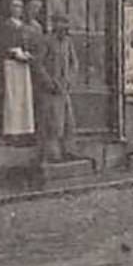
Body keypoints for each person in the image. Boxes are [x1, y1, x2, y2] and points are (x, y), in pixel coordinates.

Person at [34, 12, 80, 163]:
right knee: (53, 122)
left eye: (65, 23)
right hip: (50, 90)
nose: (63, 27)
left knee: (68, 122)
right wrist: (49, 82)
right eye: (60, 23)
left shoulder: (68, 42)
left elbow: (74, 63)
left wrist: (70, 80)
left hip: (64, 89)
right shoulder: (46, 41)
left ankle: (69, 150)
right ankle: (52, 154)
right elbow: (38, 64)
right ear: (54, 24)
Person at [0, 0, 35, 137]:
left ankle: (24, 130)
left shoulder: (24, 26)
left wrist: (27, 53)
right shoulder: (7, 25)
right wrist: (15, 53)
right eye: (14, 6)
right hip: (12, 64)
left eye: (19, 7)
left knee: (23, 97)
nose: (17, 9)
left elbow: (27, 43)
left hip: (23, 65)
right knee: (12, 96)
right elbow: (5, 45)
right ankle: (11, 131)